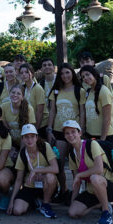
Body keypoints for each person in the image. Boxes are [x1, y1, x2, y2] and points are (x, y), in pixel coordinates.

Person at [64, 120, 113, 224]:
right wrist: (73, 202)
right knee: (73, 213)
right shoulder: (72, 155)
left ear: (80, 133)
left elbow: (99, 169)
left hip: (108, 186)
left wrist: (80, 175)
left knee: (94, 177)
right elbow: (77, 182)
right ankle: (101, 203)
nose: (70, 135)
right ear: (65, 136)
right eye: (67, 133)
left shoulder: (91, 144)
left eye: (73, 132)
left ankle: (106, 212)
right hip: (91, 191)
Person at [47, 63, 86, 202]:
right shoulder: (56, 91)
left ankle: (78, 192)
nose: (65, 76)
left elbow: (82, 111)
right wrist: (49, 128)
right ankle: (63, 190)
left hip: (75, 132)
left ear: (72, 73)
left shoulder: (79, 91)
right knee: (59, 163)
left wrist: (81, 129)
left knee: (77, 164)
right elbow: (52, 110)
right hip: (59, 131)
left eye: (67, 72)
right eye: (62, 73)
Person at [8, 123, 58, 218]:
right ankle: (35, 202)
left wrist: (35, 170)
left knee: (50, 177)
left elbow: (55, 168)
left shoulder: (45, 146)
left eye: (32, 136)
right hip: (30, 185)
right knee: (17, 210)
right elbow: (19, 179)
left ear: (36, 137)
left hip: (45, 184)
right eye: (26, 137)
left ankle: (45, 204)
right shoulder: (22, 154)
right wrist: (11, 201)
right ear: (22, 139)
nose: (29, 140)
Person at [80, 65, 113, 142]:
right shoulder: (89, 92)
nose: (85, 78)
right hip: (90, 134)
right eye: (83, 77)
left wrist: (102, 139)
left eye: (87, 74)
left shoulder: (104, 91)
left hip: (104, 136)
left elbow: (107, 118)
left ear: (94, 74)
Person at [0, 84, 36, 149]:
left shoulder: (29, 109)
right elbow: (4, 130)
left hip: (26, 143)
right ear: (9, 94)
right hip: (10, 143)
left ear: (22, 97)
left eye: (18, 93)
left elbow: (28, 134)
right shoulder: (3, 107)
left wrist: (21, 152)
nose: (15, 95)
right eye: (13, 92)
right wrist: (11, 148)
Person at [19, 63, 49, 138]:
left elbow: (40, 111)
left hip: (40, 125)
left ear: (32, 73)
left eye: (26, 72)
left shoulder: (38, 88)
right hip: (29, 123)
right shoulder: (23, 88)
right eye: (21, 73)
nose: (24, 74)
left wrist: (36, 129)